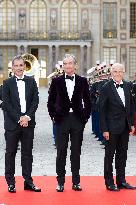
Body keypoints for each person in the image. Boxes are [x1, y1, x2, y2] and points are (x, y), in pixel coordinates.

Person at [47, 54, 91, 192]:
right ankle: (60, 182)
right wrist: (54, 117)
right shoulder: (56, 81)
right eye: (65, 64)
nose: (67, 66)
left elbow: (88, 102)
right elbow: (50, 102)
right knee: (61, 152)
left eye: (70, 63)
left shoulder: (83, 81)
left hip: (78, 120)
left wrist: (84, 118)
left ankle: (76, 182)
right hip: (61, 120)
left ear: (75, 65)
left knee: (76, 152)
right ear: (63, 66)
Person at [2, 55, 41, 193]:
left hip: (28, 124)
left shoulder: (32, 82)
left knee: (27, 154)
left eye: (21, 65)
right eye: (16, 65)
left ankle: (28, 182)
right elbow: (6, 104)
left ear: (24, 66)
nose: (19, 68)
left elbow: (35, 101)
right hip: (13, 124)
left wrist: (27, 117)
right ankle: (11, 183)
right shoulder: (6, 83)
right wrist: (20, 118)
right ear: (12, 67)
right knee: (10, 153)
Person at [99, 63, 136, 191]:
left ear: (123, 72)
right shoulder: (105, 87)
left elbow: (131, 106)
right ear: (111, 73)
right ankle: (109, 182)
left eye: (120, 71)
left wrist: (131, 124)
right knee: (109, 156)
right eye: (115, 71)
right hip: (111, 128)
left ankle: (121, 181)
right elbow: (102, 110)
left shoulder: (127, 85)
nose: (118, 73)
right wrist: (104, 129)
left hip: (125, 127)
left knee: (122, 155)